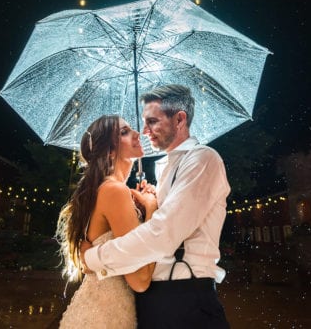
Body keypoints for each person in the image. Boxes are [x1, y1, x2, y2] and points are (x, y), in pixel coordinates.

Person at [83, 84, 231, 328]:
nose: (144, 131)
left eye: (152, 121)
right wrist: (150, 205)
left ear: (180, 119)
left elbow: (162, 235)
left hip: (186, 300)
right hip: (154, 300)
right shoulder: (165, 170)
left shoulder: (203, 159)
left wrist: (94, 258)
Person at [56, 114, 157, 329]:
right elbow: (140, 280)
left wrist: (137, 209)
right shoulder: (114, 190)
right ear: (110, 152)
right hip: (104, 318)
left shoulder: (107, 189)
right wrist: (151, 211)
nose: (137, 134)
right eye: (125, 132)